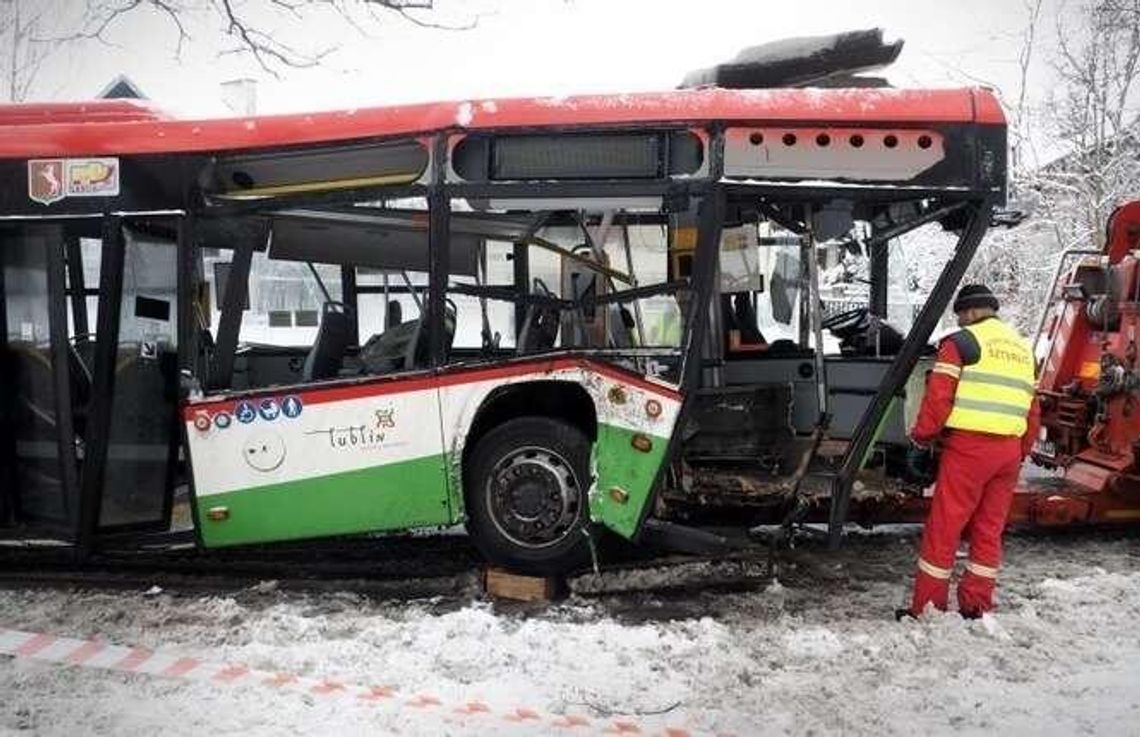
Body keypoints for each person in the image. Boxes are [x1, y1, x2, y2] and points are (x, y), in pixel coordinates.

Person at [899, 284, 1040, 620]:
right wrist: (1020, 450)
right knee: (989, 529)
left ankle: (928, 607)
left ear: (972, 311)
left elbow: (938, 400)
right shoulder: (1024, 350)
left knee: (945, 526)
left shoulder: (960, 344)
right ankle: (977, 604)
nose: (959, 321)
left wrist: (921, 438)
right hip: (1008, 451)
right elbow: (1033, 410)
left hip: (969, 449)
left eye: (961, 314)